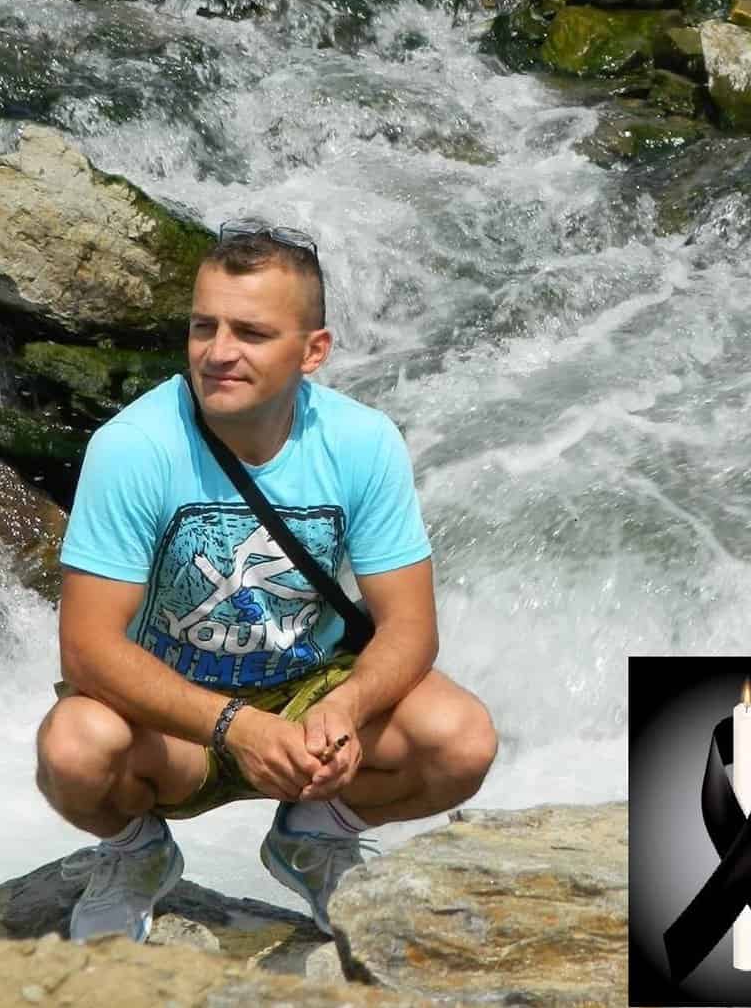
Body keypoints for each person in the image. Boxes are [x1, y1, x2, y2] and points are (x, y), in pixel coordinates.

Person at [36, 219, 497, 943]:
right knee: (74, 748)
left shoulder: (361, 441)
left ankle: (314, 835)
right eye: (204, 326)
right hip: (174, 723)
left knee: (461, 738)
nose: (218, 352)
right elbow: (87, 648)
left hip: (309, 699)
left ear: (313, 351)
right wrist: (236, 726)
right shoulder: (133, 447)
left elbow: (410, 626)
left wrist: (345, 708)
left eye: (250, 333)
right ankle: (135, 851)